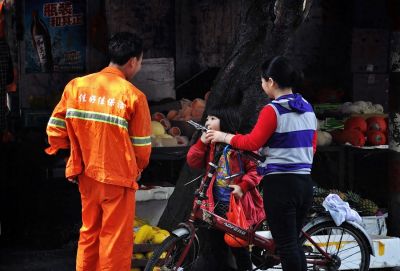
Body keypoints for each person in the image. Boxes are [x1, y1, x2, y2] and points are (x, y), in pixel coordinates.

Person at [45, 32, 152, 271]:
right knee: (114, 240)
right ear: (133, 61)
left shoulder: (76, 86)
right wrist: (137, 169)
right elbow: (142, 148)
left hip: (87, 175)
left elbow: (55, 129)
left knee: (89, 234)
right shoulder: (134, 96)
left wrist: (70, 153)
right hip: (118, 178)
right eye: (141, 62)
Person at [206, 56, 317, 271]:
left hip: (281, 185)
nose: (262, 84)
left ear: (271, 82)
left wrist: (223, 137)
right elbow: (312, 146)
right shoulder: (307, 108)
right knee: (292, 243)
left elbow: (251, 142)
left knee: (286, 246)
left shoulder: (272, 110)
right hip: (304, 183)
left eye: (262, 80)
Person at [187, 106, 265, 271]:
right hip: (213, 204)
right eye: (207, 119)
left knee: (238, 246)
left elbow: (256, 170)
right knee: (216, 246)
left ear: (226, 123)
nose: (207, 123)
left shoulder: (241, 144)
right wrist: (201, 142)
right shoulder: (210, 145)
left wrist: (242, 186)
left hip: (235, 207)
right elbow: (193, 161)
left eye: (213, 119)